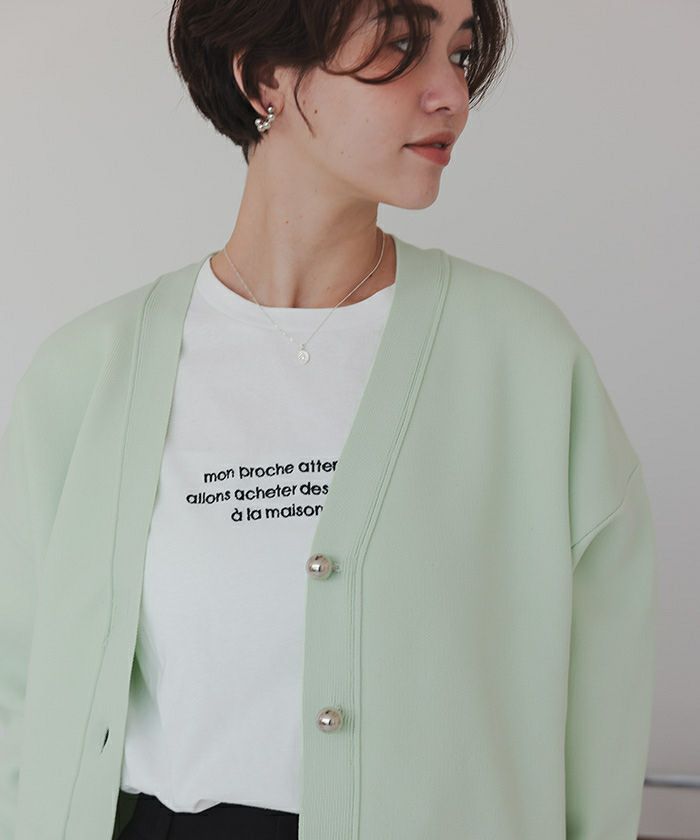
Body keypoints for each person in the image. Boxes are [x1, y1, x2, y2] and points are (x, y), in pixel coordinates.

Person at [0, 0, 657, 838]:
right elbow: (21, 692)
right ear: (264, 76)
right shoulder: (87, 374)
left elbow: (602, 700)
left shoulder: (525, 363)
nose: (451, 95)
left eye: (460, 54)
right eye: (402, 46)